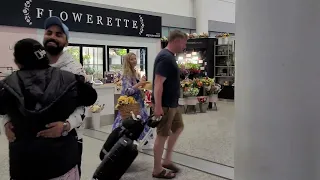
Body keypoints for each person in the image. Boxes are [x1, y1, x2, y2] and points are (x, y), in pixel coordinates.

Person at [0, 38, 97, 180]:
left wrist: (6, 121)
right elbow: (90, 98)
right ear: (43, 55)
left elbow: (3, 109)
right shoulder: (70, 79)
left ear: (17, 62)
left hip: (23, 164)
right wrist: (66, 125)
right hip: (62, 162)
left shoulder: (6, 85)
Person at [152, 30, 187, 179]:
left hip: (172, 104)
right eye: (184, 43)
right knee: (162, 135)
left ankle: (167, 160)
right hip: (165, 104)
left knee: (179, 127)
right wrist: (158, 106)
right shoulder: (165, 57)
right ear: (177, 40)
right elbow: (158, 83)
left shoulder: (169, 57)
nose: (184, 46)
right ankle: (157, 169)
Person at [112, 52, 153, 146]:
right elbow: (127, 91)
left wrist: (143, 83)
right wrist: (139, 84)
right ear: (128, 61)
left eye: (135, 58)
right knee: (129, 122)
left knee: (141, 121)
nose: (134, 61)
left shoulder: (135, 72)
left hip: (138, 103)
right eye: (132, 59)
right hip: (131, 104)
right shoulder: (126, 75)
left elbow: (136, 87)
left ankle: (141, 141)